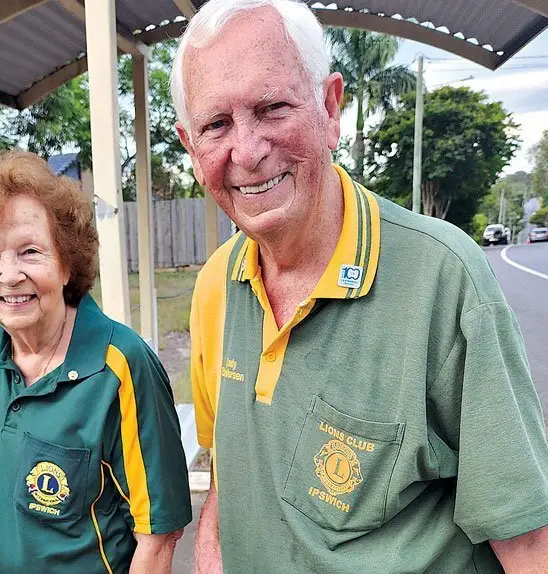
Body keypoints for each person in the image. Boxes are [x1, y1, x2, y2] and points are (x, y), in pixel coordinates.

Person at [172, 1, 548, 572]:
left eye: (272, 107)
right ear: (189, 145)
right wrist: (210, 549)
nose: (246, 151)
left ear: (329, 107)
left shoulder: (442, 278)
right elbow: (230, 466)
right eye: (215, 125)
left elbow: (528, 542)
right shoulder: (214, 287)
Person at [0, 151, 192, 573]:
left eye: (29, 251)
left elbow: (159, 535)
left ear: (66, 262)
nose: (9, 275)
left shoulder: (122, 367)